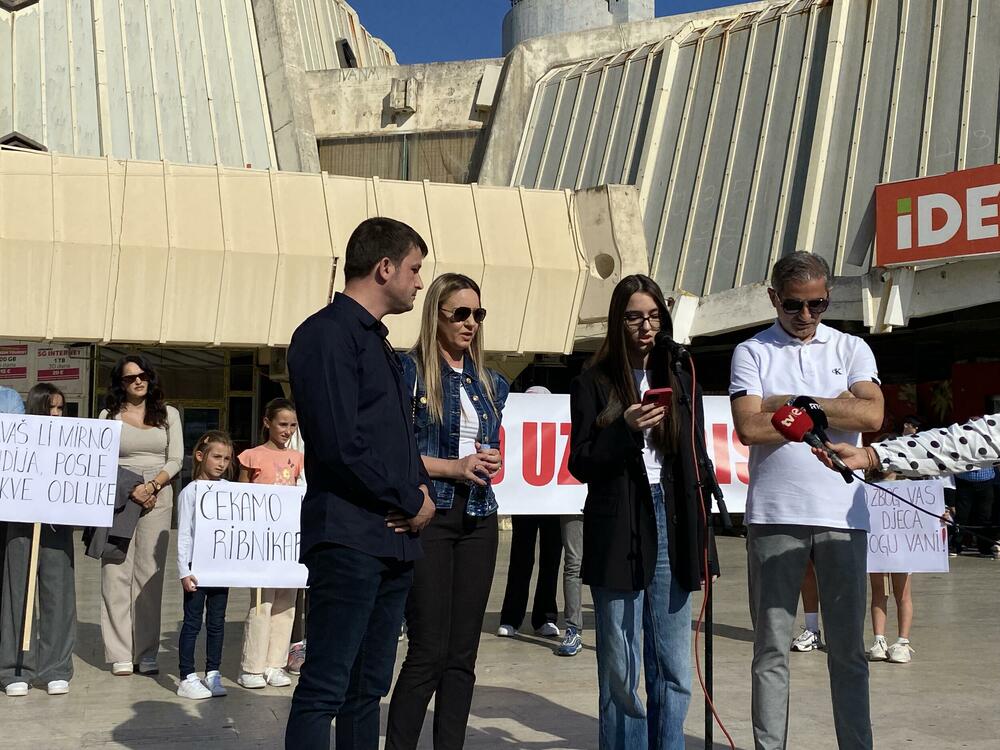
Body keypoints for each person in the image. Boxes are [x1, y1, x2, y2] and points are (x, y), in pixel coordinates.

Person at [284, 217, 436, 749]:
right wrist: (407, 499)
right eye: (415, 269)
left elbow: (396, 441)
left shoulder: (382, 346)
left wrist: (422, 492)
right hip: (349, 538)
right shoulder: (325, 335)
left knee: (368, 686)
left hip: (393, 541)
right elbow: (339, 443)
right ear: (385, 267)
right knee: (326, 684)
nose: (420, 282)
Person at [730, 252, 883, 750]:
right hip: (775, 515)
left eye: (817, 304)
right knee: (771, 648)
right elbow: (749, 428)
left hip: (842, 515)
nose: (807, 316)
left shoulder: (852, 345)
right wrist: (836, 403)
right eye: (795, 306)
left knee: (848, 650)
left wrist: (792, 401)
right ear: (775, 298)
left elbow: (874, 416)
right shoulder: (751, 351)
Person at [568, 274, 716, 750]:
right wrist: (625, 428)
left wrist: (704, 539)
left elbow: (696, 456)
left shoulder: (678, 372)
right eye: (634, 316)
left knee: (673, 661)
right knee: (621, 661)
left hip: (672, 514)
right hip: (620, 518)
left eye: (653, 315)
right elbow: (582, 462)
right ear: (618, 321)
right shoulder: (593, 381)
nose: (645, 326)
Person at [386, 273, 508, 750]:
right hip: (429, 515)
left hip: (478, 517)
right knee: (427, 652)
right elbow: (393, 451)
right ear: (435, 314)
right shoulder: (409, 372)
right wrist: (455, 467)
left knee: (463, 655)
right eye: (460, 313)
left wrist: (491, 460)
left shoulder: (491, 381)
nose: (471, 323)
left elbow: (488, 450)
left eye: (478, 314)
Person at [100, 355, 183, 677]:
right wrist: (131, 488)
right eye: (130, 377)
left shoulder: (168, 414)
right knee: (115, 569)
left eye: (143, 375)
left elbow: (176, 458)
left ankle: (146, 651)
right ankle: (119, 651)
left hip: (157, 495)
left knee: (149, 575)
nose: (138, 381)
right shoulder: (108, 416)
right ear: (120, 383)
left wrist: (151, 486)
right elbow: (101, 458)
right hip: (119, 494)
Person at [1, 384, 76, 697]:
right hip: (19, 521)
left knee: (58, 593)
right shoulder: (15, 435)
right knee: (18, 593)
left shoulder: (73, 441)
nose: (55, 414)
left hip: (57, 524)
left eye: (59, 408)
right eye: (49, 408)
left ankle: (55, 668)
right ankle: (15, 668)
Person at [236, 398, 304, 690]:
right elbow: (239, 496)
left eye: (292, 425)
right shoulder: (251, 456)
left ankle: (275, 662)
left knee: (287, 602)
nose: (287, 430)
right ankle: (252, 665)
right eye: (282, 424)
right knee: (262, 602)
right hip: (261, 537)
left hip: (288, 538)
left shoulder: (299, 458)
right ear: (267, 423)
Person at [496, 385, 562, 642]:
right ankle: (511, 617)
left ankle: (545, 617)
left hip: (553, 501)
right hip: (525, 500)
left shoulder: (556, 432)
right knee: (520, 558)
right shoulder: (519, 429)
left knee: (551, 560)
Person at [175, 430, 235, 699]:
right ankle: (186, 676)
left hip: (221, 569)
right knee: (192, 623)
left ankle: (213, 672)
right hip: (197, 570)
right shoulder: (190, 491)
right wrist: (184, 571)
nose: (222, 463)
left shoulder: (231, 491)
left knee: (217, 622)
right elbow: (184, 532)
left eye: (227, 458)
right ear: (201, 456)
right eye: (217, 457)